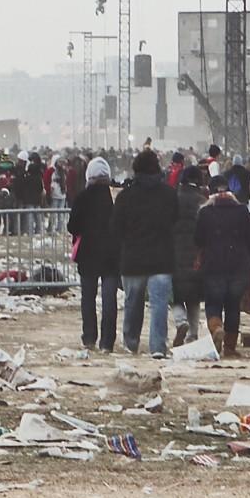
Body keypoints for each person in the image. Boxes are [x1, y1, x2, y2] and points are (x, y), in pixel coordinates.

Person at [111, 148, 179, 358]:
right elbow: (175, 220)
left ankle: (131, 342)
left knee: (133, 303)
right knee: (159, 304)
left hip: (133, 258)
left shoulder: (125, 197)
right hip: (161, 258)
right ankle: (158, 346)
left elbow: (116, 228)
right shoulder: (169, 194)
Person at [194, 176, 250, 359]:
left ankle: (216, 328)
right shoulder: (242, 211)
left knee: (213, 303)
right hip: (239, 265)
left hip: (213, 264)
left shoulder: (205, 213)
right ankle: (230, 348)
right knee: (233, 305)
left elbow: (198, 240)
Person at [67, 155, 120, 352]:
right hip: (112, 255)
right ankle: (107, 341)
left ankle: (89, 337)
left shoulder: (82, 198)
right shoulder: (115, 196)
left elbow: (72, 226)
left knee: (88, 298)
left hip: (88, 254)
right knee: (109, 300)